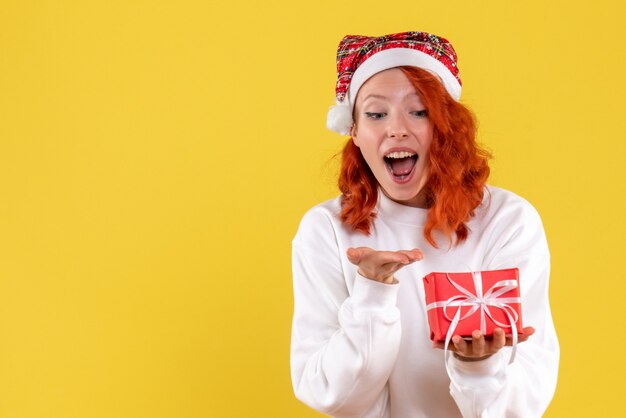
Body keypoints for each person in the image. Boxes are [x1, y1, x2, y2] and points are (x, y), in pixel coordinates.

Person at [290, 32, 559, 417]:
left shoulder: (507, 221)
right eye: (376, 113)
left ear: (446, 125)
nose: (397, 129)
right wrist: (371, 295)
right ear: (354, 131)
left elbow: (524, 402)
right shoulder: (326, 230)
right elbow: (332, 396)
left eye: (419, 111)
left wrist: (477, 367)